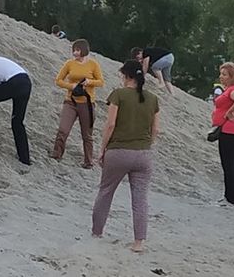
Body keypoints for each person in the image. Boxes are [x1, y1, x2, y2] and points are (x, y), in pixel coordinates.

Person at [91, 60, 160, 253]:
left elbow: (110, 124)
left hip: (118, 151)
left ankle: (97, 232)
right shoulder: (152, 98)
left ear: (127, 76)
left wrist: (102, 149)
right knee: (140, 199)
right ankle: (139, 242)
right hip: (143, 154)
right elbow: (155, 129)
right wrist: (148, 144)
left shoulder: (118, 95)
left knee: (106, 192)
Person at [50, 39, 104, 168]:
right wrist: (71, 86)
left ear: (84, 50)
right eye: (74, 50)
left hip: (87, 103)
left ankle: (88, 161)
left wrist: (89, 82)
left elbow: (101, 82)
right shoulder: (69, 64)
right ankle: (57, 154)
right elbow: (58, 80)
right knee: (63, 129)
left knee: (87, 134)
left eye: (78, 50)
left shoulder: (93, 64)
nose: (75, 53)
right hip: (71, 101)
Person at [211, 62, 234, 206]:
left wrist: (229, 112)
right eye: (221, 74)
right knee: (229, 165)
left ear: (232, 76)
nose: (221, 77)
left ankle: (232, 198)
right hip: (229, 131)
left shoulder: (233, 89)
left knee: (229, 165)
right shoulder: (229, 89)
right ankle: (230, 196)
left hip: (230, 131)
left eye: (224, 74)